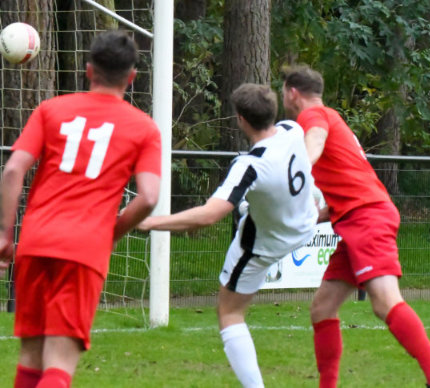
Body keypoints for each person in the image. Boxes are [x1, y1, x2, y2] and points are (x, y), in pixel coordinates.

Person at [0, 29, 162, 388]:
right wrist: (112, 233)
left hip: (35, 243)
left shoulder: (52, 110)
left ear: (89, 70)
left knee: (31, 356)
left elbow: (13, 170)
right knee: (59, 363)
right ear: (131, 77)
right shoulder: (144, 129)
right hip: (84, 250)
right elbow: (148, 197)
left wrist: (5, 234)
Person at [281, 65, 430, 388]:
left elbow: (314, 144)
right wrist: (313, 216)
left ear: (292, 93)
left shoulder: (313, 116)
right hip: (356, 219)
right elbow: (348, 187)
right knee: (322, 308)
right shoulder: (331, 117)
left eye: (283, 91)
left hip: (367, 219)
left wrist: (296, 174)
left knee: (384, 302)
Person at [137, 83, 320, 388]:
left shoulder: (249, 165)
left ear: (241, 120)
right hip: (304, 226)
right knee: (262, 204)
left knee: (230, 313)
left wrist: (149, 223)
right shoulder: (293, 130)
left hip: (262, 247)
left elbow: (208, 216)